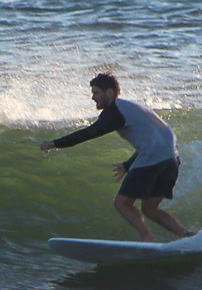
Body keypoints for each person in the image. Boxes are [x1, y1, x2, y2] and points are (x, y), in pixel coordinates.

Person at [40, 72, 193, 242]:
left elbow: (90, 133)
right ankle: (187, 235)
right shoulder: (130, 108)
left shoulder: (115, 111)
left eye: (96, 92)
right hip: (171, 159)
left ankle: (147, 237)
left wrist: (55, 143)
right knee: (150, 209)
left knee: (122, 203)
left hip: (153, 158)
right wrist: (127, 165)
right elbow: (155, 141)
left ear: (110, 92)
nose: (93, 98)